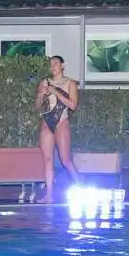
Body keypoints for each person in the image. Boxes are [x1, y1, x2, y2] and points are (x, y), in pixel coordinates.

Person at [36, 55, 81, 203]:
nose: (53, 65)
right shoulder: (45, 82)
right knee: (47, 159)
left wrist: (56, 92)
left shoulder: (70, 83)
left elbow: (73, 105)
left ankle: (81, 188)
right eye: (51, 63)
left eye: (56, 63)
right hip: (46, 122)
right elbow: (37, 107)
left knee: (65, 159)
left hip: (61, 121)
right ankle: (49, 195)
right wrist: (41, 94)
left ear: (63, 65)